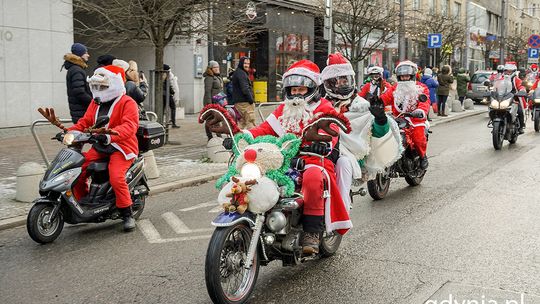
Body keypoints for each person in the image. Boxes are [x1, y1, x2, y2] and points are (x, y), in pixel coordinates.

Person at [203, 60, 352, 254]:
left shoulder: (324, 108)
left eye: (301, 89)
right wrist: (242, 137)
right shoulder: (284, 109)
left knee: (313, 177)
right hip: (281, 160)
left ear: (313, 89)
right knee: (254, 177)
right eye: (293, 90)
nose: (297, 94)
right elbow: (264, 129)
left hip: (315, 160)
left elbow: (332, 130)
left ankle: (312, 232)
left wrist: (321, 144)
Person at [321, 53, 401, 211]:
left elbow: (376, 135)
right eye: (336, 81)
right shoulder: (319, 104)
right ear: (328, 83)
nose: (341, 84)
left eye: (344, 80)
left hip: (350, 157)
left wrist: (380, 119)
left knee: (343, 164)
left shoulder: (362, 106)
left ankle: (341, 211)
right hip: (319, 153)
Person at [67, 65, 139, 231]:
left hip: (121, 147)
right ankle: (83, 203)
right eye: (96, 86)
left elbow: (130, 126)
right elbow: (84, 122)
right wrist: (66, 132)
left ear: (114, 84)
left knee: (116, 177)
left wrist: (110, 135)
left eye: (103, 86)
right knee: (78, 168)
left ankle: (126, 212)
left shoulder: (127, 102)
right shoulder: (95, 103)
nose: (99, 90)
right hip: (101, 146)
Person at [379, 60, 431, 170]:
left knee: (418, 137)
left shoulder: (421, 88)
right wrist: (375, 103)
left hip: (415, 119)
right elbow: (385, 98)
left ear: (412, 75)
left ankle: (422, 156)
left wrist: (421, 111)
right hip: (397, 118)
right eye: (402, 76)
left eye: (407, 76)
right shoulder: (395, 88)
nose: (404, 78)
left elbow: (424, 102)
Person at [62, 43, 92, 123]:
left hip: (79, 111)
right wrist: (92, 102)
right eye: (86, 53)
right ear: (80, 54)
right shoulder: (77, 70)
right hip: (81, 112)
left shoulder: (76, 69)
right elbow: (79, 91)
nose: (88, 55)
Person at [232, 57, 256, 129]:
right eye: (245, 63)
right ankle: (253, 139)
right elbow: (245, 89)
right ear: (241, 63)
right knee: (250, 122)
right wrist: (251, 100)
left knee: (241, 123)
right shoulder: (241, 74)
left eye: (248, 64)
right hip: (245, 103)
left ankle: (237, 138)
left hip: (239, 102)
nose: (247, 65)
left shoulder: (239, 72)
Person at [203, 61, 225, 140]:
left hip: (218, 101)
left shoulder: (217, 77)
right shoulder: (209, 78)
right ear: (211, 68)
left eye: (217, 67)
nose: (217, 69)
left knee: (213, 119)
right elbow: (207, 92)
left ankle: (214, 136)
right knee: (211, 119)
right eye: (215, 67)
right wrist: (209, 104)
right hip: (211, 102)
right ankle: (212, 136)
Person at [503, 63, 526, 134]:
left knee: (519, 111)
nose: (508, 73)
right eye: (507, 71)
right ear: (505, 71)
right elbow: (495, 85)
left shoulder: (516, 79)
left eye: (510, 71)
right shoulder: (501, 78)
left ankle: (521, 127)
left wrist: (522, 90)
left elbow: (520, 86)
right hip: (502, 98)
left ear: (514, 71)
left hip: (514, 98)